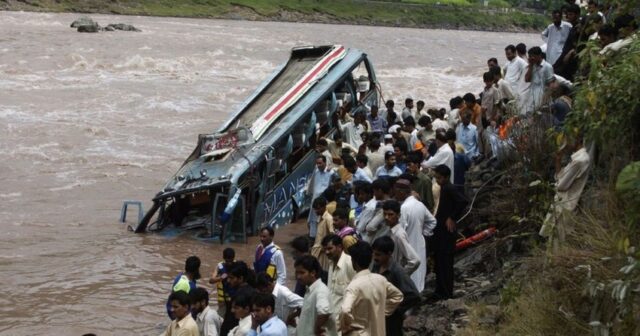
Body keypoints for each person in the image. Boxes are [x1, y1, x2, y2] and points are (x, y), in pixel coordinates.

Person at [340, 242, 403, 336]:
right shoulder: (381, 280)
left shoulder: (353, 286)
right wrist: (381, 312)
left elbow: (345, 309)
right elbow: (398, 296)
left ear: (354, 261)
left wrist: (347, 326)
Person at [539, 136, 590, 250]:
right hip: (563, 205)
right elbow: (560, 178)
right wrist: (558, 161)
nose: (565, 144)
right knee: (556, 243)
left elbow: (561, 186)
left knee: (558, 245)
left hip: (565, 207)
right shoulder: (577, 158)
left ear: (576, 140)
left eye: (568, 139)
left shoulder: (580, 160)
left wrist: (558, 182)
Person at [431, 165, 468, 301]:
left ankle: (446, 292)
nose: (437, 181)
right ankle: (440, 290)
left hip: (446, 233)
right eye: (436, 178)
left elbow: (463, 201)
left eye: (439, 178)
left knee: (445, 263)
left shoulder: (449, 188)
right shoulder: (444, 188)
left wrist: (452, 217)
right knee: (440, 262)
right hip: (441, 231)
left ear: (446, 177)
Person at [371, 236, 421, 336]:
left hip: (392, 319)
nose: (374, 257)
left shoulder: (397, 271)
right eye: (374, 253)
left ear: (389, 254)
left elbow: (414, 295)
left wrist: (396, 308)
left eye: (378, 254)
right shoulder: (376, 266)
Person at [394, 179, 436, 292]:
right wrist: (423, 233)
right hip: (420, 244)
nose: (395, 195)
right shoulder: (419, 204)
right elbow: (432, 222)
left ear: (402, 192)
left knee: (408, 275)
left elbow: (400, 230)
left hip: (407, 246)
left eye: (396, 192)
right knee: (419, 273)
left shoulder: (404, 208)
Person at [295, 255, 337, 336]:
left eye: (302, 273)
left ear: (313, 273)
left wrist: (317, 329)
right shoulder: (310, 289)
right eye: (297, 273)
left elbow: (324, 312)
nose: (298, 277)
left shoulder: (320, 291)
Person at [322, 234, 356, 331]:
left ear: (340, 247)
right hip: (332, 319)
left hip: (344, 322)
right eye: (325, 249)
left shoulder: (350, 263)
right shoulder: (331, 263)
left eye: (329, 248)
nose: (327, 252)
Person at [381, 200, 421, 275]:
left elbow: (415, 260)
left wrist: (401, 275)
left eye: (390, 215)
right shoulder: (390, 231)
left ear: (398, 215)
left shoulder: (399, 234)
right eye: (385, 214)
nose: (386, 217)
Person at [220, 262, 257, 336]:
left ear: (240, 278)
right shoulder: (252, 291)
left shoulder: (240, 295)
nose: (228, 280)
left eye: (231, 278)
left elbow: (232, 319)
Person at [307, 154, 335, 239]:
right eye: (317, 163)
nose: (318, 165)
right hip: (315, 199)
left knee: (323, 220)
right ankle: (313, 237)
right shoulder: (316, 171)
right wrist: (309, 193)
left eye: (320, 163)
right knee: (312, 220)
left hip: (324, 201)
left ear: (325, 163)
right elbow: (312, 184)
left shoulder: (331, 172)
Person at [525, 46, 555, 114]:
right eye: (530, 57)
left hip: (543, 98)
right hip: (532, 97)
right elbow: (527, 79)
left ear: (539, 55)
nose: (531, 59)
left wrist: (544, 100)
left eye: (533, 56)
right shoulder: (532, 66)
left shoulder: (547, 66)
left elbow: (551, 85)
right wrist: (530, 66)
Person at [309, 197, 334, 270]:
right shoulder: (320, 218)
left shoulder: (328, 218)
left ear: (324, 207)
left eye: (318, 208)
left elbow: (332, 234)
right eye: (315, 209)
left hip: (323, 252)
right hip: (318, 251)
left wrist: (326, 247)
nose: (316, 211)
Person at [209, 248, 235, 316]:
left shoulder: (237, 266)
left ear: (233, 258)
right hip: (222, 300)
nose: (229, 263)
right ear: (224, 258)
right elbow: (211, 280)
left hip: (233, 299)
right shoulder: (219, 266)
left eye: (231, 261)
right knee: (221, 316)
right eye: (227, 261)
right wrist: (221, 278)